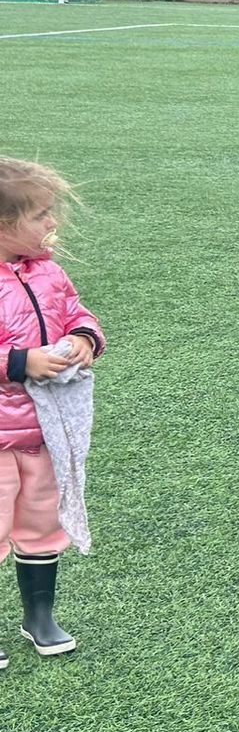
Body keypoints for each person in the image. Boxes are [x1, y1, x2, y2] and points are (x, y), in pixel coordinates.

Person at [0, 157, 104, 667]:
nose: (52, 223)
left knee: (41, 523)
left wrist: (85, 337)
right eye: (40, 214)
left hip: (44, 432)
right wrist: (19, 362)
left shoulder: (48, 272)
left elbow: (76, 311)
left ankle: (38, 615)